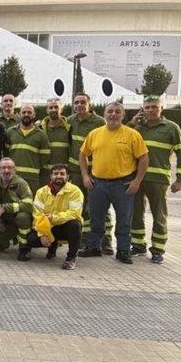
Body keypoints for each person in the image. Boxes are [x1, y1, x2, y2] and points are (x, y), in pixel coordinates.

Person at [78, 102, 148, 264]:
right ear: (104, 114)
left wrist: (137, 181)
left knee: (124, 220)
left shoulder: (132, 135)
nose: (113, 114)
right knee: (96, 218)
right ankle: (93, 247)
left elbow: (144, 158)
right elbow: (83, 155)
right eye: (110, 111)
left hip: (122, 184)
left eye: (117, 112)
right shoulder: (95, 134)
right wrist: (85, 176)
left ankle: (123, 251)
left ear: (123, 115)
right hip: (97, 184)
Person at [130, 96, 181, 263]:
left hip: (159, 180)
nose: (150, 110)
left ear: (161, 108)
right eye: (147, 107)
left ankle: (158, 250)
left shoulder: (171, 128)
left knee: (159, 215)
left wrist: (180, 179)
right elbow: (120, 138)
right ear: (142, 109)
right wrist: (133, 123)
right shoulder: (137, 128)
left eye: (154, 107)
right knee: (136, 213)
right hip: (137, 179)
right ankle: (138, 245)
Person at [67, 93, 112, 252]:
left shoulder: (100, 122)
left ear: (89, 105)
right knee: (80, 205)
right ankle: (84, 239)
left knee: (100, 207)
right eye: (76, 102)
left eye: (82, 102)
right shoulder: (71, 120)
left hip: (96, 171)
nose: (79, 105)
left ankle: (106, 240)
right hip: (76, 171)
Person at [28, 163, 84, 270]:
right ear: (50, 176)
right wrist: (42, 234)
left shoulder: (75, 191)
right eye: (55, 174)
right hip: (48, 228)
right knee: (31, 239)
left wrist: (54, 218)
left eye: (62, 174)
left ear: (67, 176)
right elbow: (37, 215)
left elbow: (74, 213)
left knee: (75, 225)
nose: (58, 176)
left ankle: (70, 258)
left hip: (65, 227)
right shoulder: (41, 192)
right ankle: (52, 248)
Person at [0, 158, 33, 257]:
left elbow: (29, 204)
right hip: (4, 221)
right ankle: (13, 236)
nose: (6, 171)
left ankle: (24, 249)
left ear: (14, 170)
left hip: (18, 219)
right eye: (3, 168)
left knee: (23, 216)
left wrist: (6, 208)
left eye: (9, 168)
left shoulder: (22, 184)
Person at [5, 103, 50, 195]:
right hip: (13, 177)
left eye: (29, 112)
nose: (26, 114)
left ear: (34, 115)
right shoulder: (10, 132)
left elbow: (44, 158)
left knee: (30, 205)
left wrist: (35, 169)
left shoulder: (41, 135)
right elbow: (6, 154)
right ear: (20, 114)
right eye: (24, 112)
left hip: (32, 179)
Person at [38, 98, 70, 185]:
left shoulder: (69, 128)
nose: (53, 110)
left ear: (61, 109)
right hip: (45, 174)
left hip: (62, 175)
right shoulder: (39, 128)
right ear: (47, 110)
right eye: (50, 107)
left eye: (56, 107)